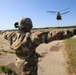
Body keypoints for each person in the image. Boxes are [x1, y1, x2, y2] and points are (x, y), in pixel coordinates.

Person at [2, 17, 74, 75]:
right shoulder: (32, 37)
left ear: (19, 27)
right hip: (30, 69)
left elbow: (4, 33)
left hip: (18, 65)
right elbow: (54, 35)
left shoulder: (11, 36)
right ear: (29, 27)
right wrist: (73, 32)